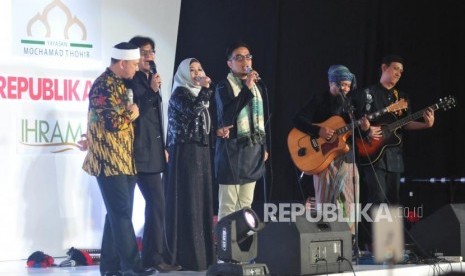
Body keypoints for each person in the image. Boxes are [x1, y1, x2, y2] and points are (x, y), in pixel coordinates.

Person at [82, 42, 152, 276]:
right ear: (121, 63)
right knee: (121, 214)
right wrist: (132, 113)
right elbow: (113, 123)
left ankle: (110, 268)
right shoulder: (103, 86)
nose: (135, 68)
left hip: (124, 160)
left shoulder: (120, 84)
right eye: (133, 64)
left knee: (117, 213)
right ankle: (132, 267)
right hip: (108, 162)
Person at [351, 54, 435, 250]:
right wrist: (366, 129)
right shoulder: (366, 93)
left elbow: (405, 124)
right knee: (377, 199)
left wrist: (425, 124)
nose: (398, 73)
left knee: (393, 201)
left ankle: (390, 244)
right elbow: (352, 122)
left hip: (394, 156)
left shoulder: (402, 97)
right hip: (372, 154)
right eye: (395, 68)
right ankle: (372, 243)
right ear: (384, 67)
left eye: (401, 71)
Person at [292, 65, 370, 235]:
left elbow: (360, 137)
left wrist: (365, 129)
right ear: (331, 83)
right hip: (323, 160)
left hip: (347, 159)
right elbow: (297, 119)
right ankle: (323, 241)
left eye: (348, 86)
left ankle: (349, 242)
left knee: (349, 204)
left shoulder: (353, 105)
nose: (344, 89)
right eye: (340, 85)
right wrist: (318, 131)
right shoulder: (319, 99)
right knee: (325, 204)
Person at [126, 36, 181, 273]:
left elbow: (156, 118)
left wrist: (164, 147)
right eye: (144, 52)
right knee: (122, 210)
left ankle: (153, 257)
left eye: (152, 51)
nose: (150, 56)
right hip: (133, 153)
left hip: (152, 153)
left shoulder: (151, 80)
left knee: (157, 205)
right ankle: (124, 260)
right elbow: (135, 114)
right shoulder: (129, 80)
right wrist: (150, 91)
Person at [164, 58, 215, 271]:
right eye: (192, 70)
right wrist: (204, 90)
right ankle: (189, 256)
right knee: (190, 202)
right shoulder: (179, 93)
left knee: (201, 201)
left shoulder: (197, 94)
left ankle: (204, 256)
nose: (196, 73)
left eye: (199, 69)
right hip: (185, 151)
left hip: (200, 150)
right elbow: (192, 111)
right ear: (184, 73)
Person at [214, 41, 269, 220]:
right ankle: (225, 247)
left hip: (252, 152)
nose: (245, 61)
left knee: (246, 205)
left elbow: (259, 122)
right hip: (232, 152)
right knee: (229, 206)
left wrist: (264, 147)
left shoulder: (258, 87)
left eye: (248, 57)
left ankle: (243, 245)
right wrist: (246, 88)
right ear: (229, 63)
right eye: (239, 57)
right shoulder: (223, 86)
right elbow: (228, 116)